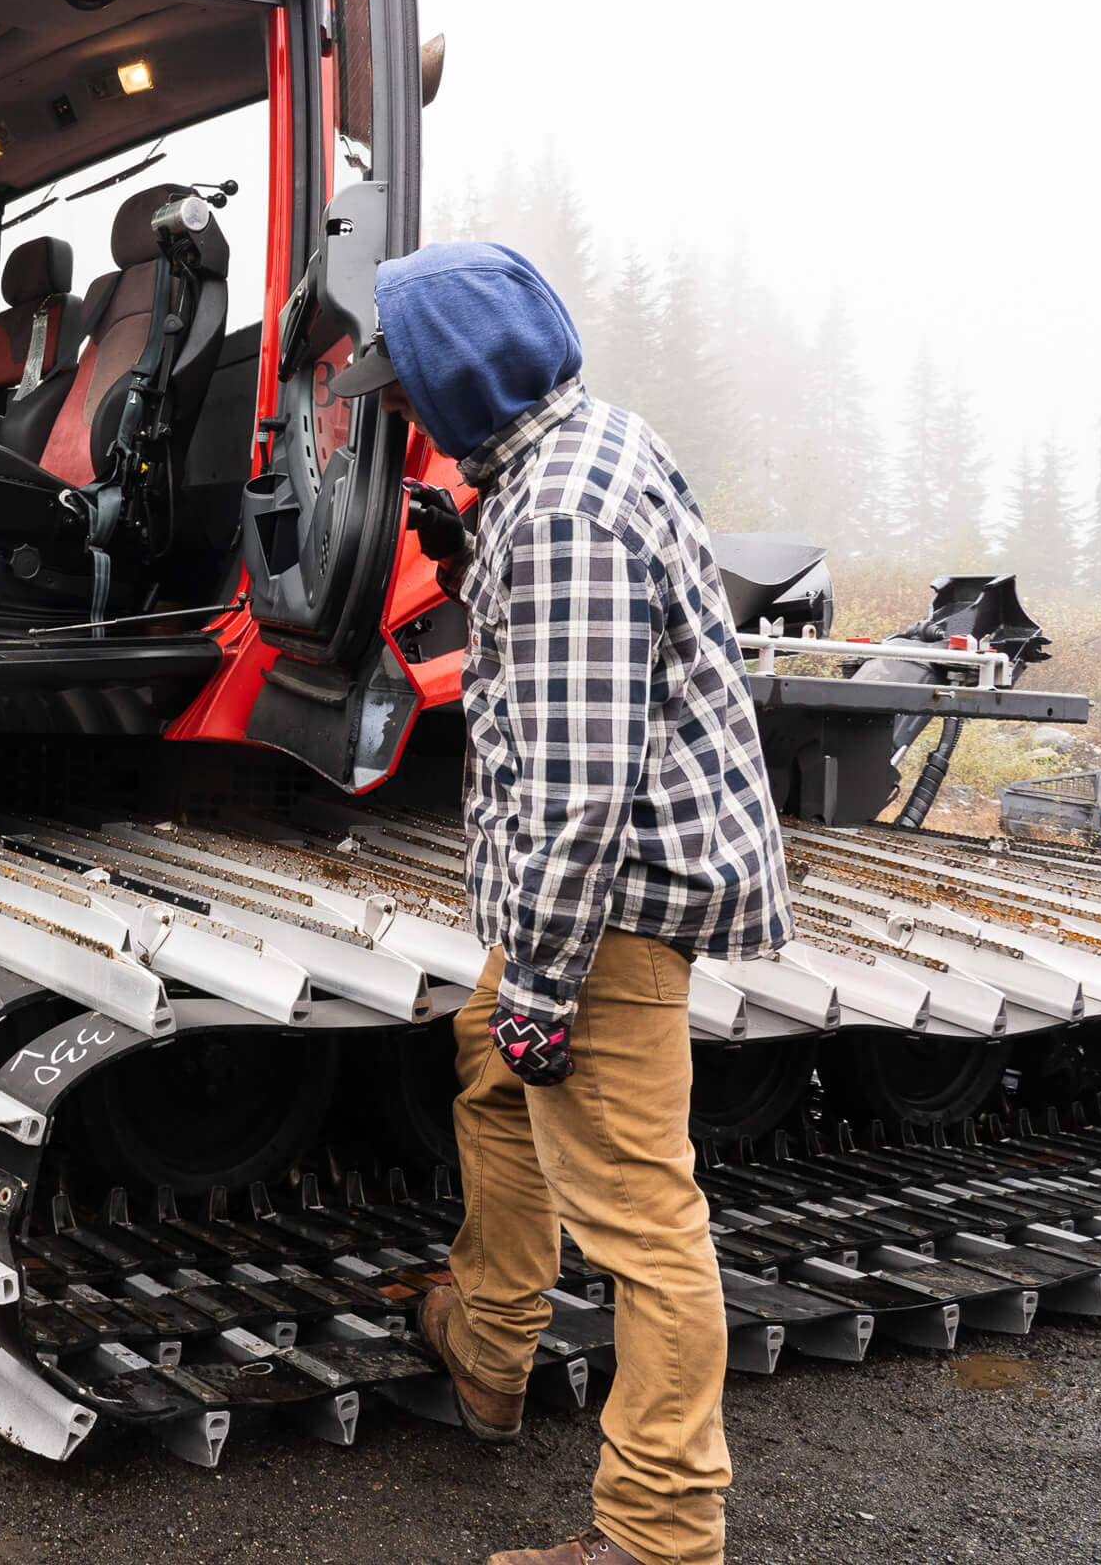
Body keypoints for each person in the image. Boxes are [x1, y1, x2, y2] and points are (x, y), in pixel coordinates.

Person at [331, 242, 789, 1565]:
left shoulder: (563, 518)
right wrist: (467, 546)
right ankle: (486, 1344)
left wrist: (541, 982)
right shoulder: (563, 464)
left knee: (644, 1225)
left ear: (460, 380)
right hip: (584, 895)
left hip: (609, 909)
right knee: (489, 1077)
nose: (401, 416)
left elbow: (582, 788)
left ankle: (658, 1533)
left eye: (407, 390)